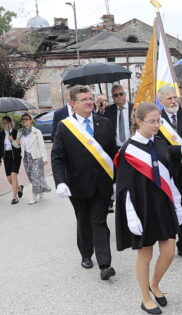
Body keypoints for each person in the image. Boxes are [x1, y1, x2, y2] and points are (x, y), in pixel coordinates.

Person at [115, 102, 182, 315]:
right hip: (141, 207)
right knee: (145, 254)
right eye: (152, 122)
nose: (157, 125)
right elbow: (123, 187)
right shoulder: (128, 149)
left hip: (162, 204)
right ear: (139, 122)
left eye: (159, 121)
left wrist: (178, 204)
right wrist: (131, 216)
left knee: (169, 251)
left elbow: (169, 176)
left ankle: (155, 283)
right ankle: (145, 298)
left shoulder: (160, 142)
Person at [51, 85, 118, 281]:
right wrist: (60, 182)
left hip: (102, 184)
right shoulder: (65, 126)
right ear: (73, 103)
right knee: (83, 220)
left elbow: (113, 154)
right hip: (77, 184)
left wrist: (117, 180)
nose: (89, 102)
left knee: (99, 220)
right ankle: (86, 254)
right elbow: (57, 157)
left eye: (91, 98)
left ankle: (105, 264)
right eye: (84, 99)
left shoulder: (104, 123)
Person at [156, 84, 182, 260]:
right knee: (167, 208)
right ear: (161, 100)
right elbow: (159, 147)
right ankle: (168, 243)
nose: (173, 101)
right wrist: (180, 149)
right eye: (169, 98)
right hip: (168, 171)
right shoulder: (157, 119)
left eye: (175, 98)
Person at [14, 113, 50, 204]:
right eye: (22, 119)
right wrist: (13, 141)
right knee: (31, 177)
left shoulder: (37, 132)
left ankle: (33, 197)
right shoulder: (20, 132)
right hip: (26, 157)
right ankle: (40, 190)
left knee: (35, 176)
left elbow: (42, 145)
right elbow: (17, 146)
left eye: (26, 119)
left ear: (30, 120)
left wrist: (45, 158)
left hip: (36, 157)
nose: (24, 121)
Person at [0, 116, 23, 205]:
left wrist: (12, 140)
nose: (5, 125)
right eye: (3, 123)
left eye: (6, 122)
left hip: (15, 156)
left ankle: (14, 198)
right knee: (9, 179)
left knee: (13, 176)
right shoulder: (1, 134)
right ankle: (19, 188)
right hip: (6, 157)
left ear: (11, 123)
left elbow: (19, 146)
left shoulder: (16, 132)